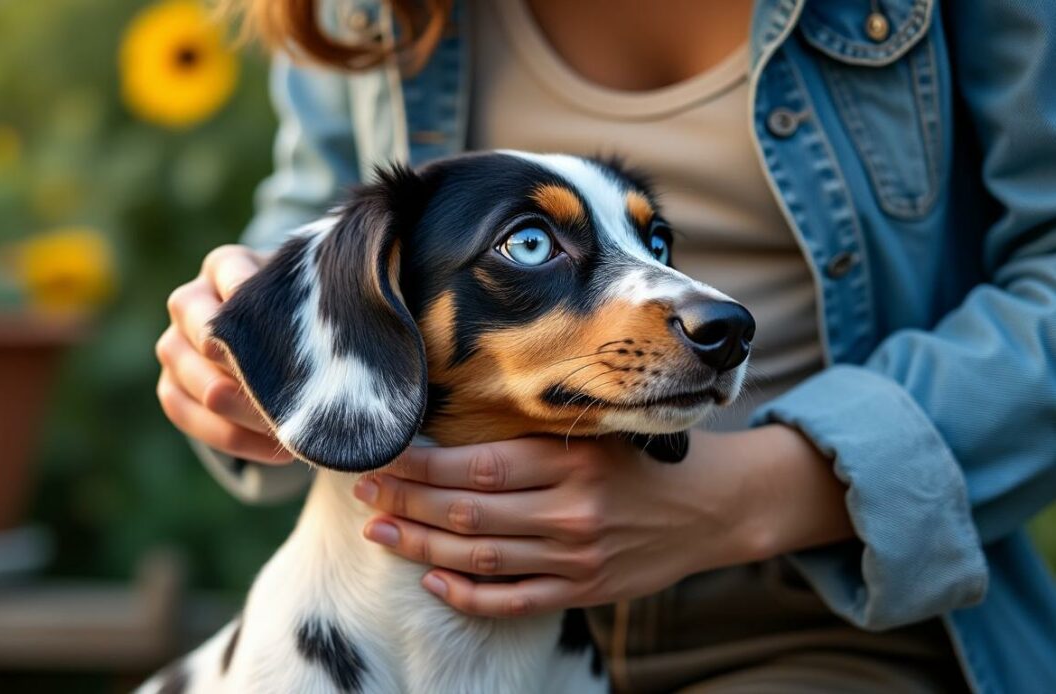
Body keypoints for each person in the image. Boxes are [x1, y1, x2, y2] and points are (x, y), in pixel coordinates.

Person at [154, 0, 1056, 691]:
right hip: (391, 602)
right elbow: (306, 235)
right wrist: (229, 359)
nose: (708, 313)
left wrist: (755, 494)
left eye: (652, 246)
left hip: (812, 606)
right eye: (532, 244)